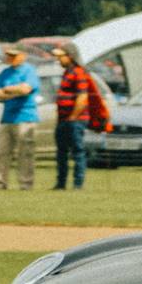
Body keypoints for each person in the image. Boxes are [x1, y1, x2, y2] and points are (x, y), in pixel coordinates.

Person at [51, 39, 99, 191]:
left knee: (77, 152)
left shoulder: (79, 73)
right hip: (64, 119)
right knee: (61, 153)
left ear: (70, 56)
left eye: (61, 56)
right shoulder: (67, 72)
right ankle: (61, 183)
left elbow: (82, 97)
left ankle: (78, 184)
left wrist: (73, 116)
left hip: (75, 120)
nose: (59, 59)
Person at [0, 44, 39, 190]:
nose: (10, 58)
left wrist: (8, 90)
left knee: (25, 154)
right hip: (7, 118)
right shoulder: (5, 72)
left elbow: (26, 89)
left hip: (25, 117)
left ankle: (25, 184)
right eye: (8, 55)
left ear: (23, 56)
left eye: (14, 55)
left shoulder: (29, 71)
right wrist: (14, 91)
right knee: (0, 151)